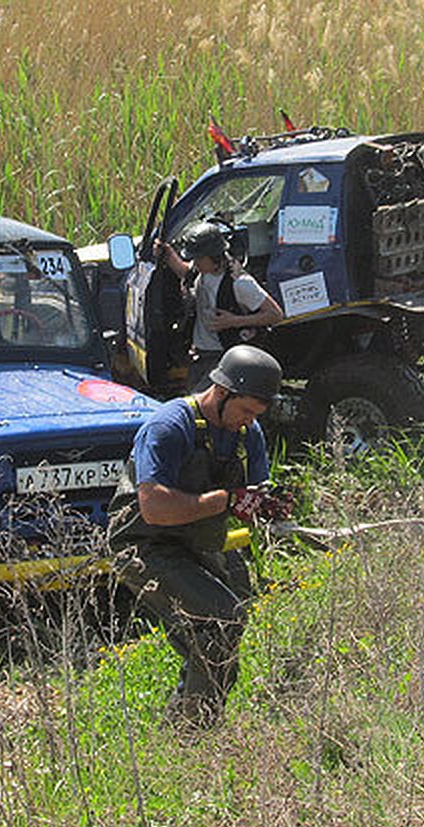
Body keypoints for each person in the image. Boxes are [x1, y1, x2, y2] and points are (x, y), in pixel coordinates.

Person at [108, 345, 292, 730]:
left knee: (215, 647)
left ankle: (182, 735)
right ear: (222, 392)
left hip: (193, 545)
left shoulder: (248, 432)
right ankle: (194, 733)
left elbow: (253, 492)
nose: (247, 423)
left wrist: (266, 506)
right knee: (223, 619)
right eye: (245, 411)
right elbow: (155, 508)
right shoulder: (169, 426)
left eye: (256, 416)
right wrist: (226, 500)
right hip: (142, 546)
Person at [156, 221, 284, 390]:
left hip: (225, 357)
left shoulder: (240, 283)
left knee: (200, 402)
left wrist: (234, 321)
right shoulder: (201, 270)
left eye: (199, 258)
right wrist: (167, 253)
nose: (196, 262)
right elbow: (185, 272)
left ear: (215, 256)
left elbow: (275, 314)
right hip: (199, 354)